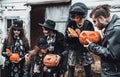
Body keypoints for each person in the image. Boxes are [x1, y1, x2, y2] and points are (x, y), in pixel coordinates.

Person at [85, 4, 120, 77]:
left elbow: (112, 54)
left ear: (101, 18)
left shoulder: (115, 30)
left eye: (94, 21)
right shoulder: (112, 26)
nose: (94, 25)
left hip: (113, 73)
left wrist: (92, 46)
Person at [65, 2, 94, 77]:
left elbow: (92, 38)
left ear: (81, 16)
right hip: (73, 49)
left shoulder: (88, 24)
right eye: (74, 17)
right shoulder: (71, 24)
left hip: (84, 49)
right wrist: (69, 37)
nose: (75, 19)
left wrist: (80, 35)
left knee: (88, 69)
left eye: (77, 17)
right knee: (71, 69)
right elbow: (66, 40)